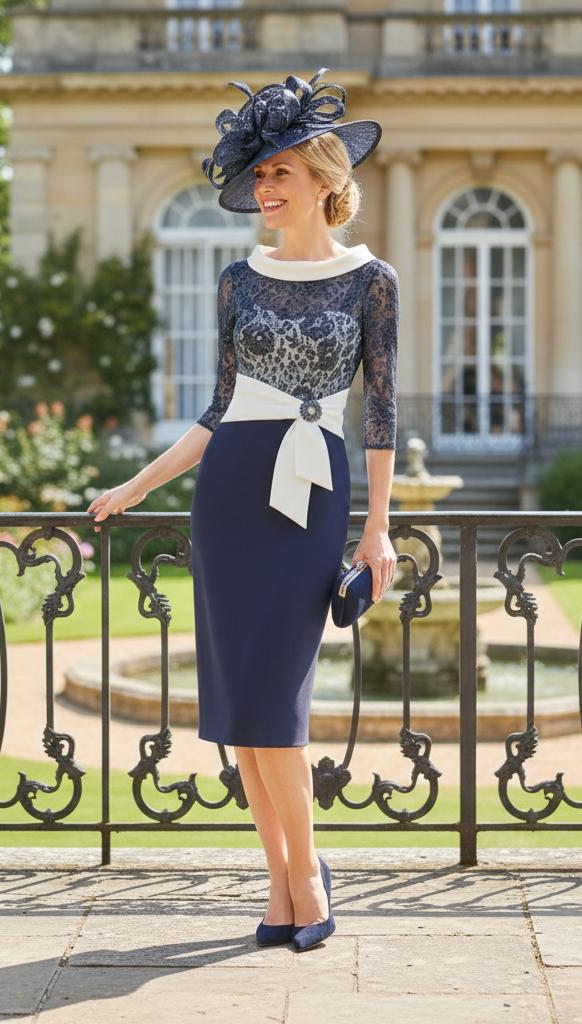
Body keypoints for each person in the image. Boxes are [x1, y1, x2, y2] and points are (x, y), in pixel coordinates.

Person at [87, 68, 399, 952]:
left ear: (325, 182)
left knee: (280, 703)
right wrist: (138, 485)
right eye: (257, 177)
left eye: (280, 175)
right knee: (241, 709)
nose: (265, 191)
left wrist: (376, 527)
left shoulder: (372, 280)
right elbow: (219, 408)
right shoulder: (237, 278)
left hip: (312, 494)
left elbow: (380, 413)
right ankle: (281, 881)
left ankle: (309, 877)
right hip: (230, 495)